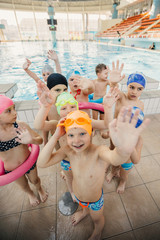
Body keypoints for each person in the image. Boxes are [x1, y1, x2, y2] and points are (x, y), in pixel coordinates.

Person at [37, 108, 150, 240]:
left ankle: (97, 231)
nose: (76, 141)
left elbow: (116, 159)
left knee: (97, 219)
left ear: (91, 131)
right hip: (79, 196)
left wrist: (124, 149)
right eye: (71, 135)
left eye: (82, 134)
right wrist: (55, 136)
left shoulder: (99, 151)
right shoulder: (68, 150)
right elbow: (42, 163)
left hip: (95, 201)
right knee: (84, 208)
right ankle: (84, 212)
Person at [34, 82, 119, 202]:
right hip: (67, 158)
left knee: (84, 178)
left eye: (72, 106)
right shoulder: (58, 124)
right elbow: (38, 125)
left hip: (85, 158)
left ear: (77, 107)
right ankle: (73, 192)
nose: (69, 111)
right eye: (64, 108)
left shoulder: (85, 120)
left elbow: (106, 124)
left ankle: (88, 191)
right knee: (69, 178)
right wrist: (45, 107)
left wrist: (108, 108)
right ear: (58, 110)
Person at [0, 95, 48, 206]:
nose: (15, 113)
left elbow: (40, 140)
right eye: (8, 111)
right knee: (24, 185)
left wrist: (31, 140)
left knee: (35, 180)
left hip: (28, 162)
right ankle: (30, 194)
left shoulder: (21, 126)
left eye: (14, 108)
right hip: (11, 169)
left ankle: (39, 189)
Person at [106, 61, 146, 193]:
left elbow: (137, 123)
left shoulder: (140, 105)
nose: (134, 91)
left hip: (128, 137)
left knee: (126, 161)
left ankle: (123, 180)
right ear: (127, 86)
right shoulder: (121, 97)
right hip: (116, 134)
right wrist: (112, 82)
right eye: (132, 87)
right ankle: (113, 170)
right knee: (113, 152)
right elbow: (113, 87)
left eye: (139, 89)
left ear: (143, 90)